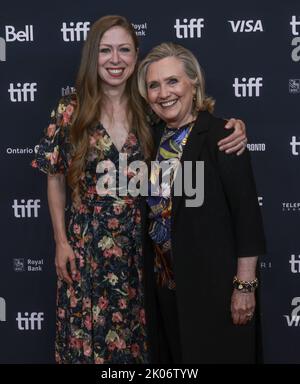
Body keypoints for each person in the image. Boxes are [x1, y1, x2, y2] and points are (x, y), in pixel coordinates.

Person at [32, 15, 248, 364]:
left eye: (124, 50)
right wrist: (60, 241)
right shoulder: (69, 110)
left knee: (142, 349)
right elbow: (54, 176)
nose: (114, 60)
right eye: (105, 50)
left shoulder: (150, 111)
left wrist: (234, 126)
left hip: (144, 255)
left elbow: (193, 127)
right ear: (93, 55)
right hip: (87, 253)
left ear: (136, 56)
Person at [137, 42, 266, 364]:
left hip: (217, 291)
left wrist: (245, 287)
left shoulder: (222, 135)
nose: (163, 93)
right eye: (154, 85)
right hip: (165, 291)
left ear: (193, 83)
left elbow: (246, 216)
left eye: (172, 81)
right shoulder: (148, 140)